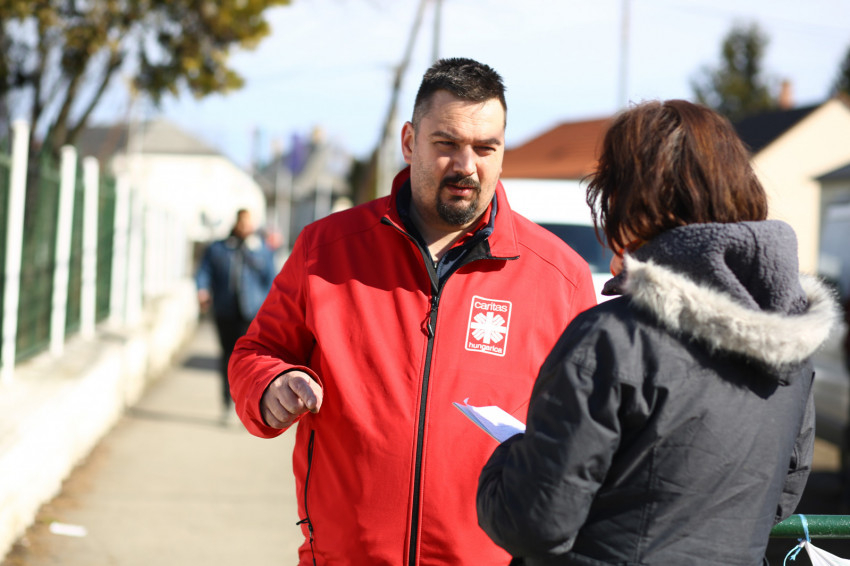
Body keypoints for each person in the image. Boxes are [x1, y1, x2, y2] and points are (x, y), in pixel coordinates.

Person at [228, 58, 597, 565]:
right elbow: (255, 353)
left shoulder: (561, 277)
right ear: (409, 142)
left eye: (485, 148)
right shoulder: (326, 250)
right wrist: (271, 385)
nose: (466, 165)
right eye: (446, 143)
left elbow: (586, 438)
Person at [476, 99, 841, 566]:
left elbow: (534, 521)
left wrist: (509, 457)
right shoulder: (789, 342)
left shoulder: (613, 339)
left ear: (633, 205)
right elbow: (780, 498)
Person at [195, 208, 276, 420]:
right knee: (227, 358)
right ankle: (227, 403)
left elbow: (271, 280)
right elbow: (204, 272)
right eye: (242, 222)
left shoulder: (261, 250)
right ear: (236, 223)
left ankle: (247, 405)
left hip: (251, 314)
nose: (244, 227)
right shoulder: (219, 248)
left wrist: (269, 309)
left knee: (250, 361)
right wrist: (202, 290)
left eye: (248, 223)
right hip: (225, 311)